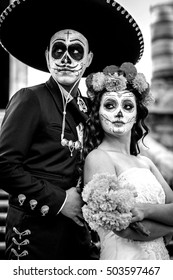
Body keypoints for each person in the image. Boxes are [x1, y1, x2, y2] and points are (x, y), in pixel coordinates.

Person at [0, 0, 144, 259]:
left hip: (78, 237)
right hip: (35, 236)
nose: (66, 59)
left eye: (76, 51)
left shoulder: (92, 109)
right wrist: (60, 201)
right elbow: (4, 166)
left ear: (89, 59)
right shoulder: (29, 99)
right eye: (58, 50)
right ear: (47, 56)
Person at [83, 62, 173, 260]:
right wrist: (167, 225)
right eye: (110, 105)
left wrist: (144, 211)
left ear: (137, 115)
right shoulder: (98, 157)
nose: (120, 113)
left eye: (128, 106)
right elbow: (121, 227)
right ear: (97, 112)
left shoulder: (145, 162)